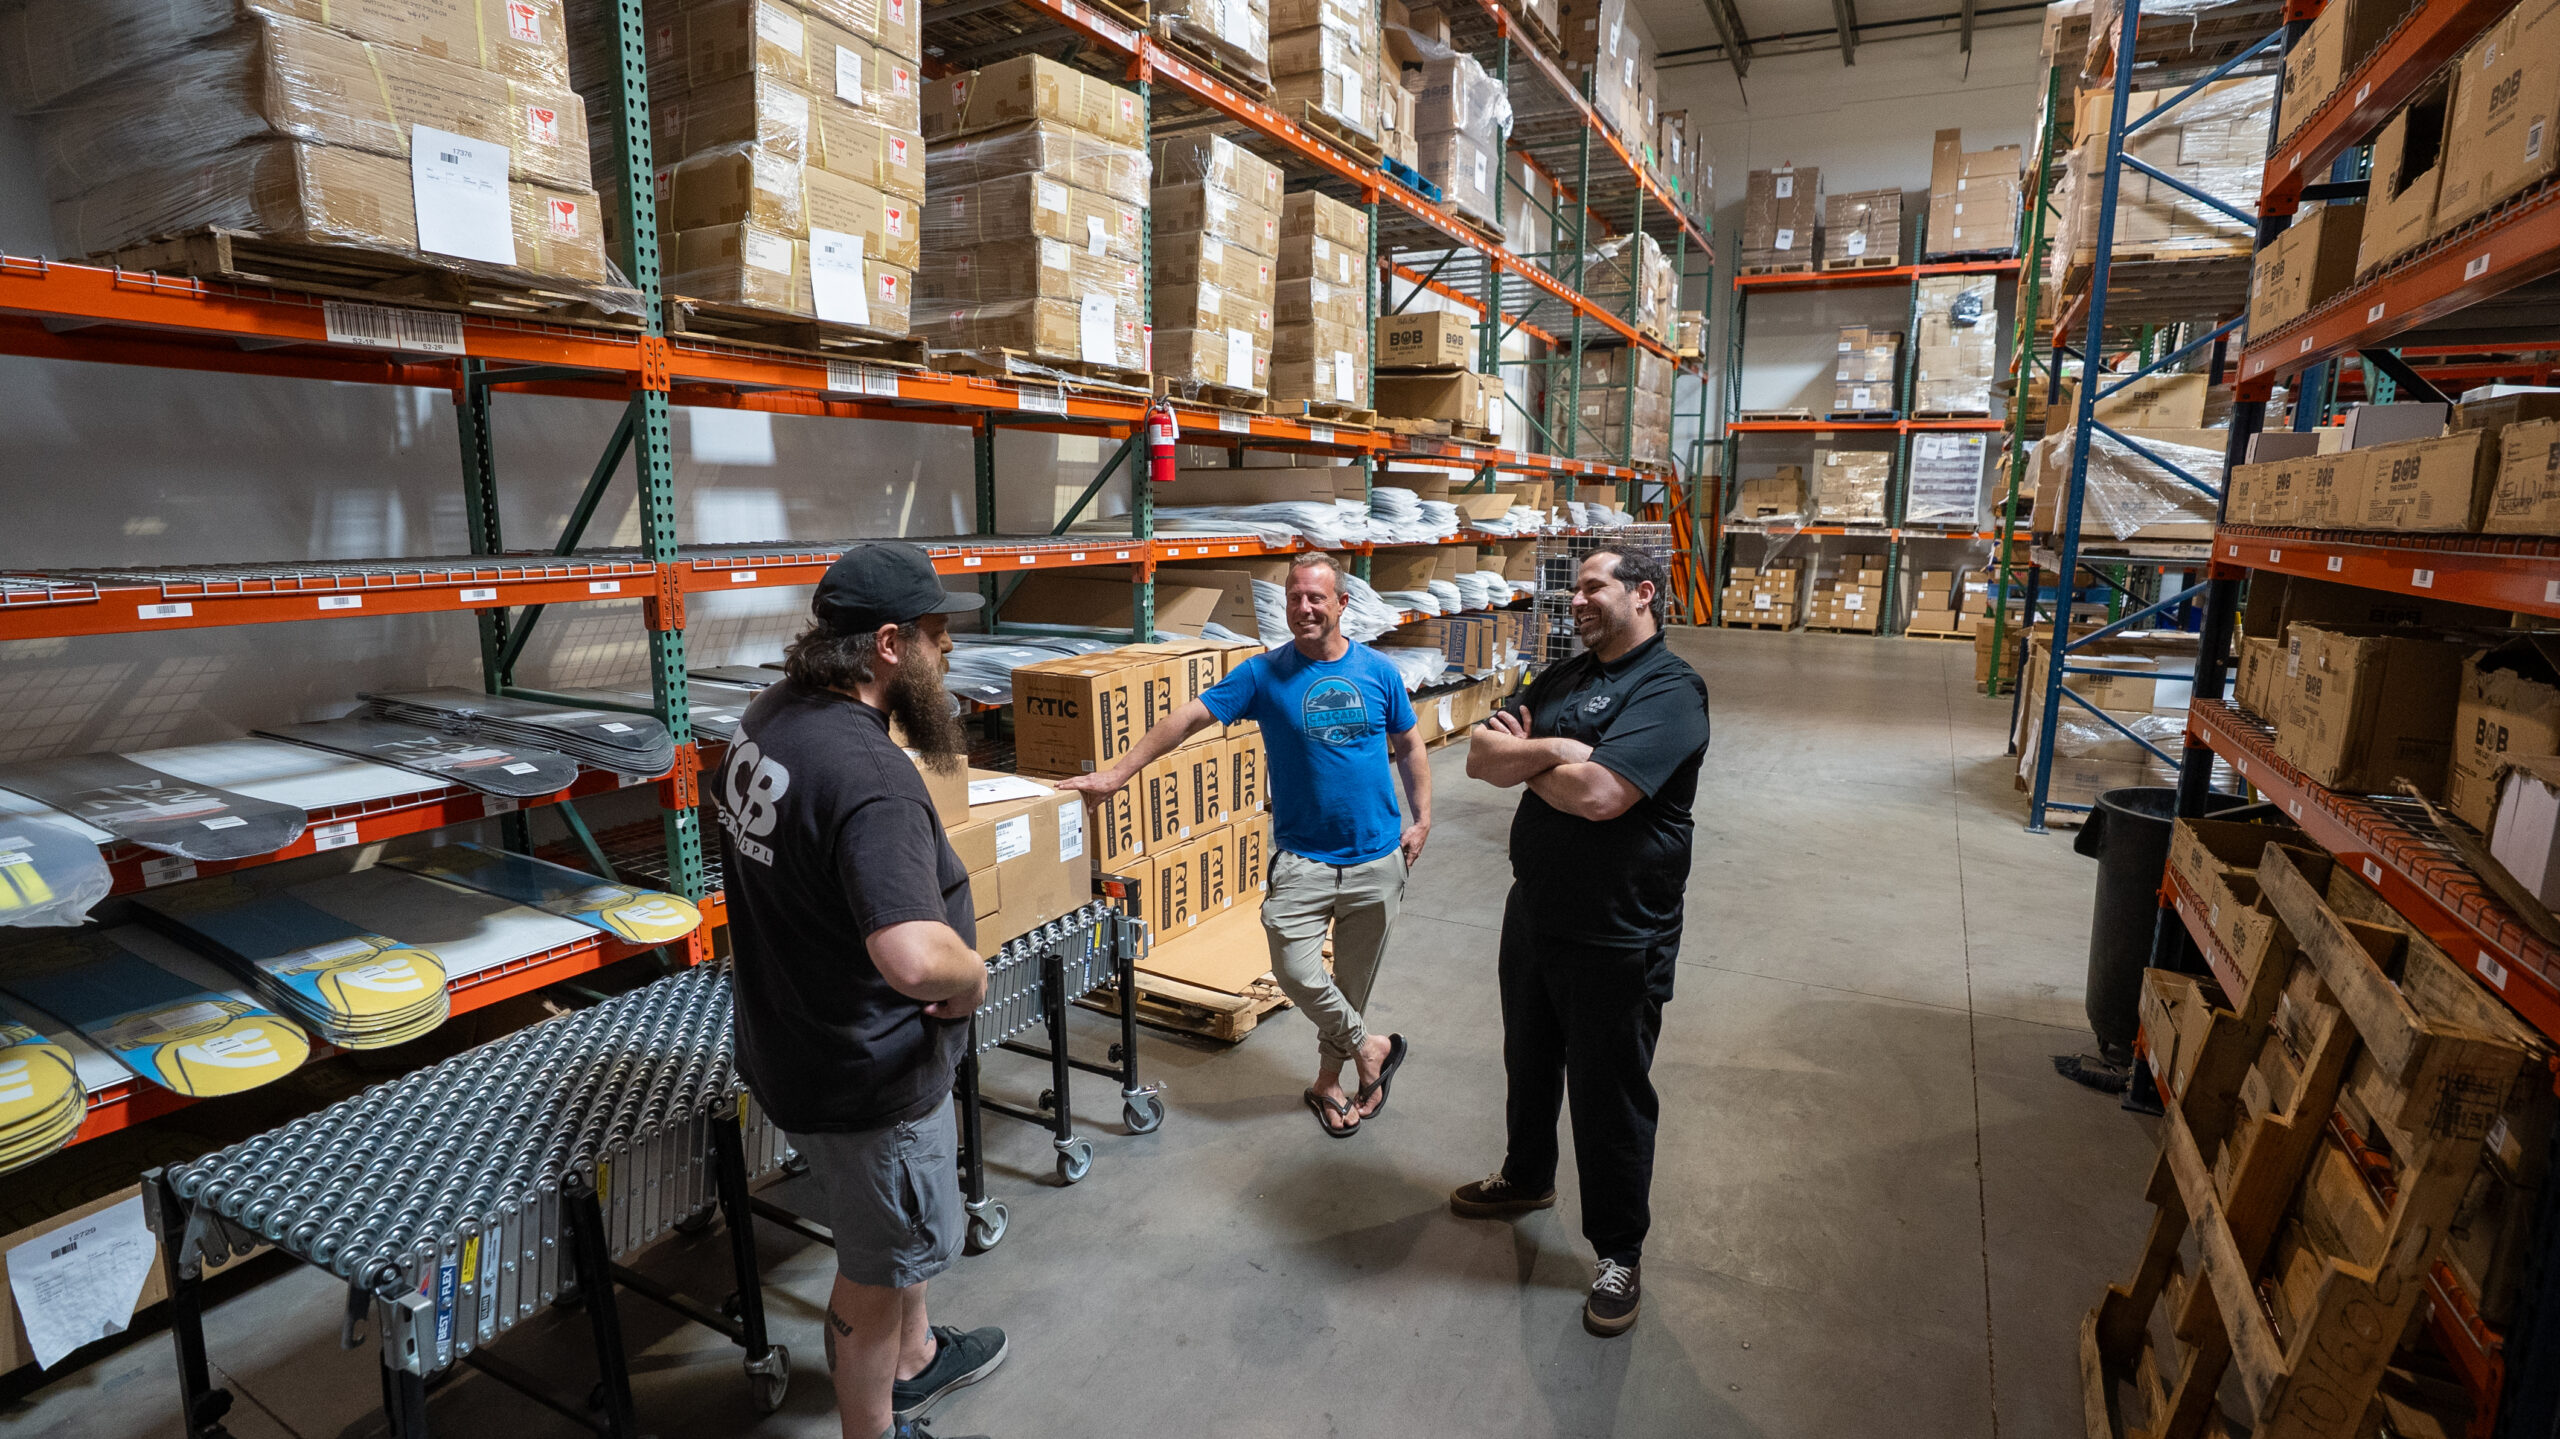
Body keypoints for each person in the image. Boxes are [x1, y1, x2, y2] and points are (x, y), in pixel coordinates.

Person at [712, 543, 1008, 1439]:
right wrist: (974, 974)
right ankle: (873, 1427)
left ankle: (914, 1360)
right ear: (888, 644)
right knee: (874, 1268)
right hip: (864, 1077)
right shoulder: (869, 775)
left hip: (791, 1035)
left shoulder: (767, 716)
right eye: (935, 634)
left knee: (894, 1238)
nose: (947, 651)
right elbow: (914, 958)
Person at [1059, 551, 1429, 1137]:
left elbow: (1409, 745)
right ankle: (1372, 1047)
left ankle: (1329, 1083)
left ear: (1341, 604)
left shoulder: (1378, 672)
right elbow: (1185, 719)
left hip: (1378, 857)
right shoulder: (1263, 674)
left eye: (1315, 597)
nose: (1303, 608)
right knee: (1296, 971)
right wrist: (1116, 774)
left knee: (1353, 984)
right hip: (1305, 860)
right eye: (1293, 597)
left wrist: (1422, 818)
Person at [1449, 546, 1710, 1339]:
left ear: (1644, 593)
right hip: (1535, 913)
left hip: (1618, 930)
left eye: (1594, 587)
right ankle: (1527, 1177)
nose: (1577, 602)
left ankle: (1619, 1250)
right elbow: (1479, 756)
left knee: (1610, 1095)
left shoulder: (1671, 689)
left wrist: (1543, 763)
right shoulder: (1562, 679)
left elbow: (1602, 796)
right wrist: (1557, 753)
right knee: (1528, 1061)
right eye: (1575, 591)